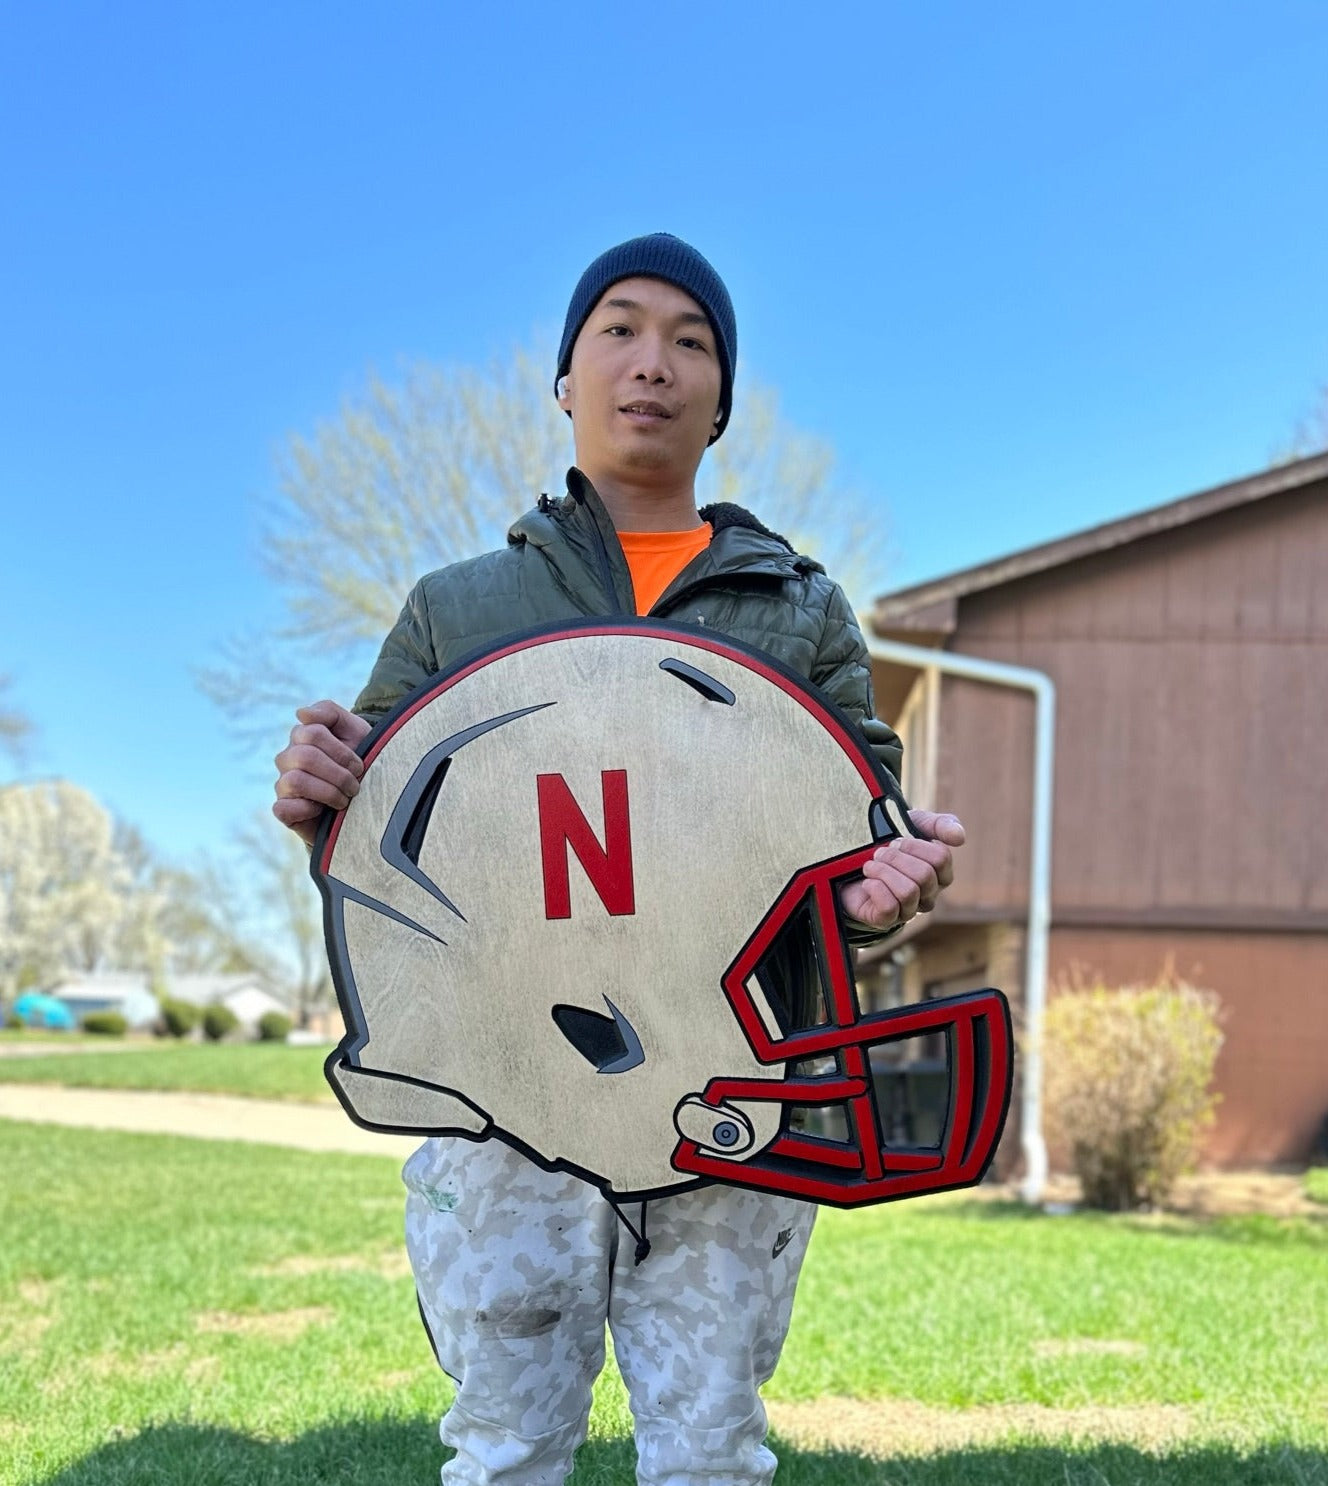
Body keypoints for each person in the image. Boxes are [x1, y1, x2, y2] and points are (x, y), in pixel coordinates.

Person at [274, 233, 966, 1486]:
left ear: (721, 398)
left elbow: (861, 845)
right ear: (566, 379)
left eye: (689, 340)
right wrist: (319, 789)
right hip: (506, 1100)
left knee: (707, 1450)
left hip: (727, 1087)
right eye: (620, 328)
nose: (652, 362)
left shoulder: (798, 608)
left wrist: (889, 888)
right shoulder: (457, 605)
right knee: (504, 1446)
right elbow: (374, 848)